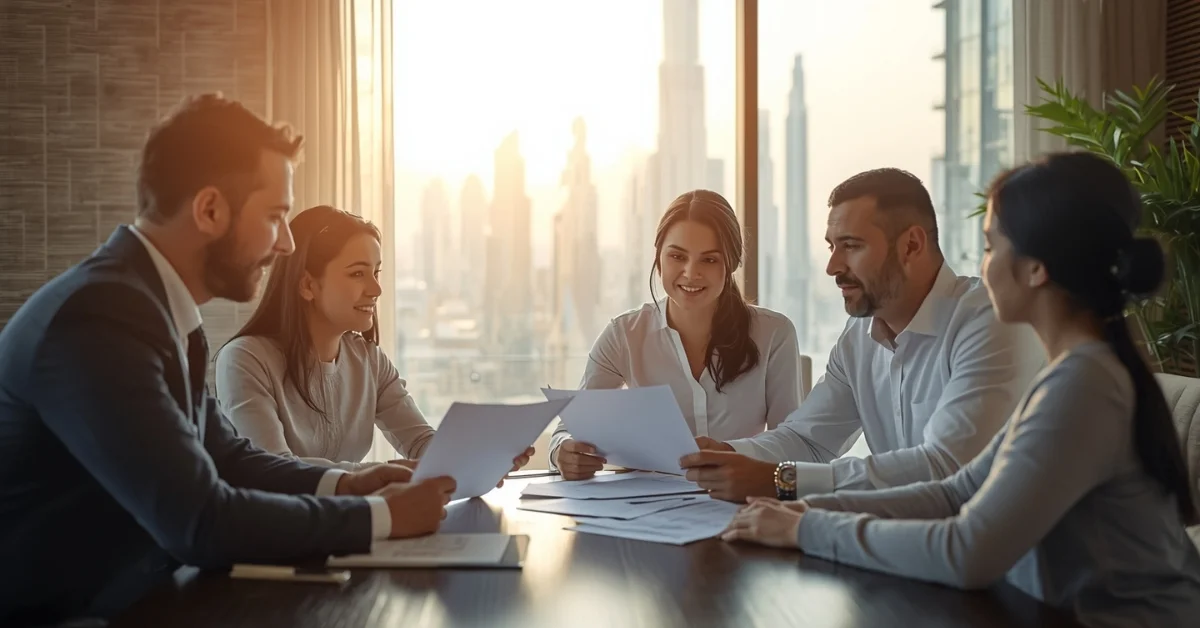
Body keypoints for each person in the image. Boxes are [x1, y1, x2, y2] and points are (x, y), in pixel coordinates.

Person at [0, 94, 456, 626]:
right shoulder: (99, 320)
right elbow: (200, 521)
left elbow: (228, 456)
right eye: (275, 217)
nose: (287, 244)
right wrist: (378, 517)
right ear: (210, 209)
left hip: (143, 597)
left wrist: (347, 485)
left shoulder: (158, 311)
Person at [723, 152, 1200, 627]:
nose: (983, 266)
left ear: (1036, 268)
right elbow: (956, 492)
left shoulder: (1085, 385)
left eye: (991, 246)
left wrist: (807, 527)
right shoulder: (1071, 373)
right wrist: (802, 508)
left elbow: (967, 550)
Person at [680, 168, 1041, 502]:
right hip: (903, 534)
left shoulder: (989, 322)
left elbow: (947, 467)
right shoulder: (858, 336)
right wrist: (728, 454)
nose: (832, 267)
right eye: (831, 247)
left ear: (911, 246)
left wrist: (784, 481)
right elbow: (809, 439)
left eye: (851, 246)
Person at [214, 205, 534, 472]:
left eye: (376, 273)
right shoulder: (245, 360)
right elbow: (275, 470)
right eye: (357, 273)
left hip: (349, 522)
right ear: (308, 285)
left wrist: (481, 458)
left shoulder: (369, 360)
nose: (376, 289)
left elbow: (421, 442)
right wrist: (380, 476)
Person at [549, 189, 805, 479]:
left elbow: (792, 443)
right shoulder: (624, 335)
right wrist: (563, 452)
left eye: (709, 260)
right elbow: (569, 428)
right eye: (677, 256)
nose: (690, 273)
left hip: (741, 497)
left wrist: (733, 453)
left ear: (732, 263)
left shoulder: (774, 334)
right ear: (658, 258)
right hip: (648, 500)